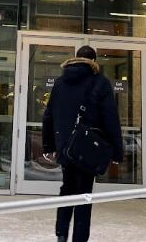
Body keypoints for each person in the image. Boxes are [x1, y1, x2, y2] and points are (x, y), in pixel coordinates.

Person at [42, 45, 124, 242]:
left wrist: (49, 146)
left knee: (67, 188)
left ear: (75, 59)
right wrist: (117, 152)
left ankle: (61, 233)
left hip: (66, 147)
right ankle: (79, 238)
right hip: (88, 149)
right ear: (94, 62)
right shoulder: (100, 82)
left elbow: (48, 116)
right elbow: (110, 119)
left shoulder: (60, 82)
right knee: (84, 194)